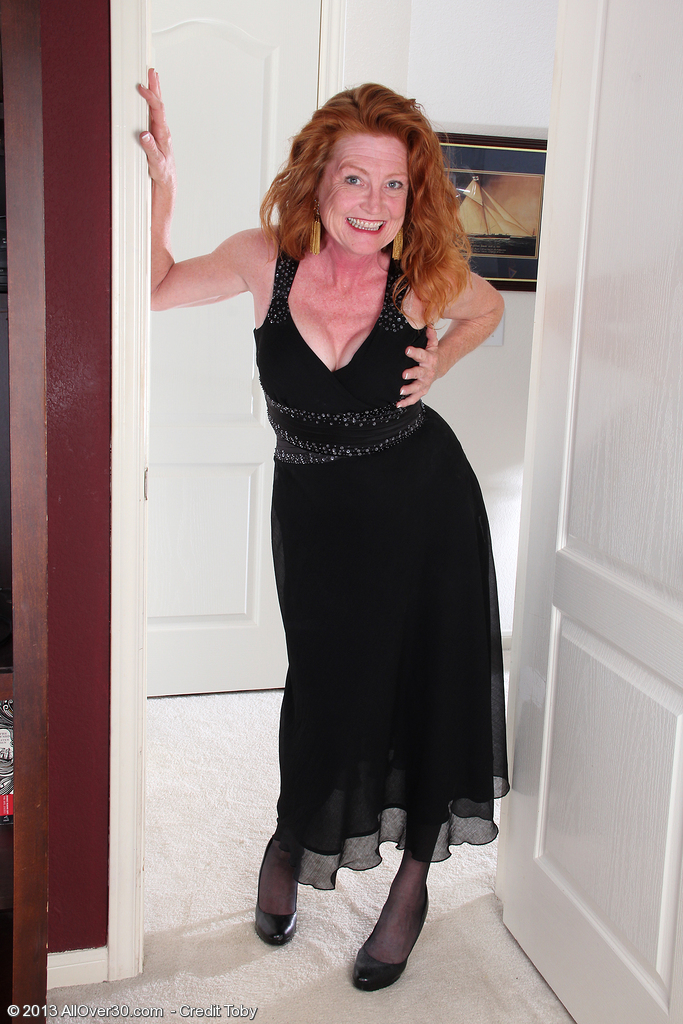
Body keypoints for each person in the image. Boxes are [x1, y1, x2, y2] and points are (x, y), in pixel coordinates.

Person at [139, 70, 509, 991]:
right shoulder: (262, 258)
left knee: (430, 688)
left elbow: (488, 307)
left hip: (426, 512)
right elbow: (153, 287)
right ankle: (290, 836)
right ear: (318, 177)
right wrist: (162, 191)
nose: (373, 204)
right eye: (355, 178)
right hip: (315, 522)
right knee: (326, 690)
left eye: (393, 184)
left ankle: (412, 884)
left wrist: (441, 359)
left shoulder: (424, 275)